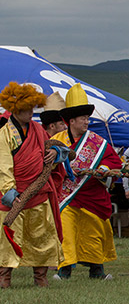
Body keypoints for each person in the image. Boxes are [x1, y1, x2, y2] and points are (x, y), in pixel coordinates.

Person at [52, 84, 122, 281]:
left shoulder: (97, 142)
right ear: (71, 121)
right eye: (83, 118)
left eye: (87, 118)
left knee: (93, 232)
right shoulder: (56, 141)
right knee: (66, 230)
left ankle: (97, 270)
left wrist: (104, 169)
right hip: (67, 196)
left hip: (92, 195)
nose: (86, 121)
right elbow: (47, 164)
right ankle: (64, 270)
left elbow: (114, 162)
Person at [0, 82, 65, 288]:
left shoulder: (38, 129)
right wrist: (9, 192)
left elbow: (55, 148)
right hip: (14, 194)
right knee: (8, 237)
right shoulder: (4, 133)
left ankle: (40, 277)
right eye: (26, 110)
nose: (30, 113)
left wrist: (55, 152)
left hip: (39, 192)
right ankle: (4, 277)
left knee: (42, 236)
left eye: (32, 109)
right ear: (16, 109)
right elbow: (3, 165)